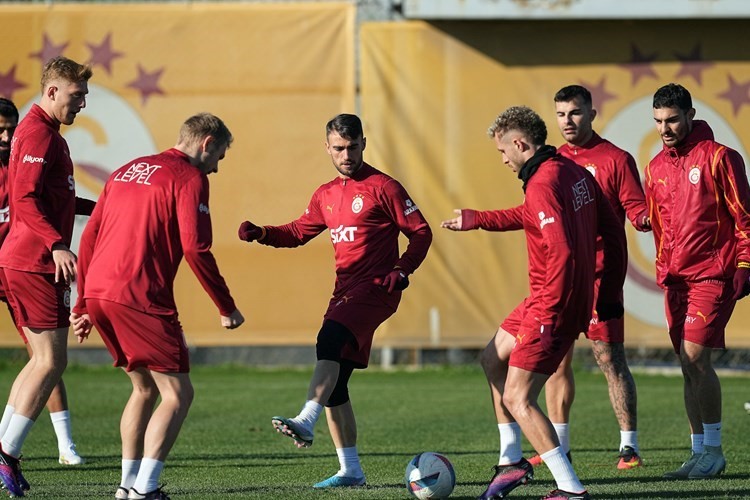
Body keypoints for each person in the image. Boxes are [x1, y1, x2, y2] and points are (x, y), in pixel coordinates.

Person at [441, 106, 626, 499]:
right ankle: (511, 460)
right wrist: (477, 219)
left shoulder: (543, 182)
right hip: (547, 299)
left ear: (521, 144)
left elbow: (560, 249)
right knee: (492, 357)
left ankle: (570, 488)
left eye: (503, 152)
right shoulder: (572, 170)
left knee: (517, 398)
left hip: (551, 304)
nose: (504, 159)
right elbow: (611, 231)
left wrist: (554, 310)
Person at [238, 113, 432, 489]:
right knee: (336, 384)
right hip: (344, 291)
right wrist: (263, 232)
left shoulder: (384, 187)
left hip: (379, 287)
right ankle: (352, 471)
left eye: (352, 146)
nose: (346, 155)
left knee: (327, 341)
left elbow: (420, 232)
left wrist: (403, 269)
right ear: (327, 148)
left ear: (363, 143)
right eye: (339, 148)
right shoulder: (326, 194)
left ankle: (305, 421)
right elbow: (297, 232)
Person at [69, 112, 245, 500]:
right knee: (178, 394)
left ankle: (126, 487)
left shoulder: (127, 170)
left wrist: (82, 304)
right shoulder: (189, 177)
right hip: (139, 296)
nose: (216, 168)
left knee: (144, 389)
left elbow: (90, 236)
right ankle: (145, 489)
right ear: (207, 144)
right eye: (219, 157)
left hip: (100, 292)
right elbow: (196, 248)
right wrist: (225, 305)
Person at [523, 85, 650, 470]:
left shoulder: (615, 159)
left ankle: (629, 446)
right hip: (562, 279)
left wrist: (650, 218)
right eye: (560, 114)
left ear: (592, 115)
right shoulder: (551, 162)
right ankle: (558, 446)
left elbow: (636, 208)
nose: (567, 121)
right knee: (556, 362)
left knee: (610, 359)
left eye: (575, 113)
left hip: (599, 278)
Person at [644, 83, 750, 479]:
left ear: (690, 114)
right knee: (687, 366)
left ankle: (717, 451)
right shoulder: (654, 167)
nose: (665, 128)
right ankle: (698, 452)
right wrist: (661, 267)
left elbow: (745, 218)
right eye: (657, 121)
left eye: (672, 120)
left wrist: (744, 264)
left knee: (695, 359)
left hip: (712, 274)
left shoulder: (721, 157)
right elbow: (659, 228)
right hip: (675, 281)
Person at [0, 57, 92, 497]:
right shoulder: (38, 132)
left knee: (41, 361)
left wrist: (104, 206)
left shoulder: (43, 131)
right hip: (33, 261)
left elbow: (54, 196)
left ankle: (3, 448)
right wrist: (57, 243)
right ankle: (7, 454)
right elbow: (24, 196)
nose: (83, 104)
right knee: (53, 362)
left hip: (26, 259)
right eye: (77, 96)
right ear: (52, 91)